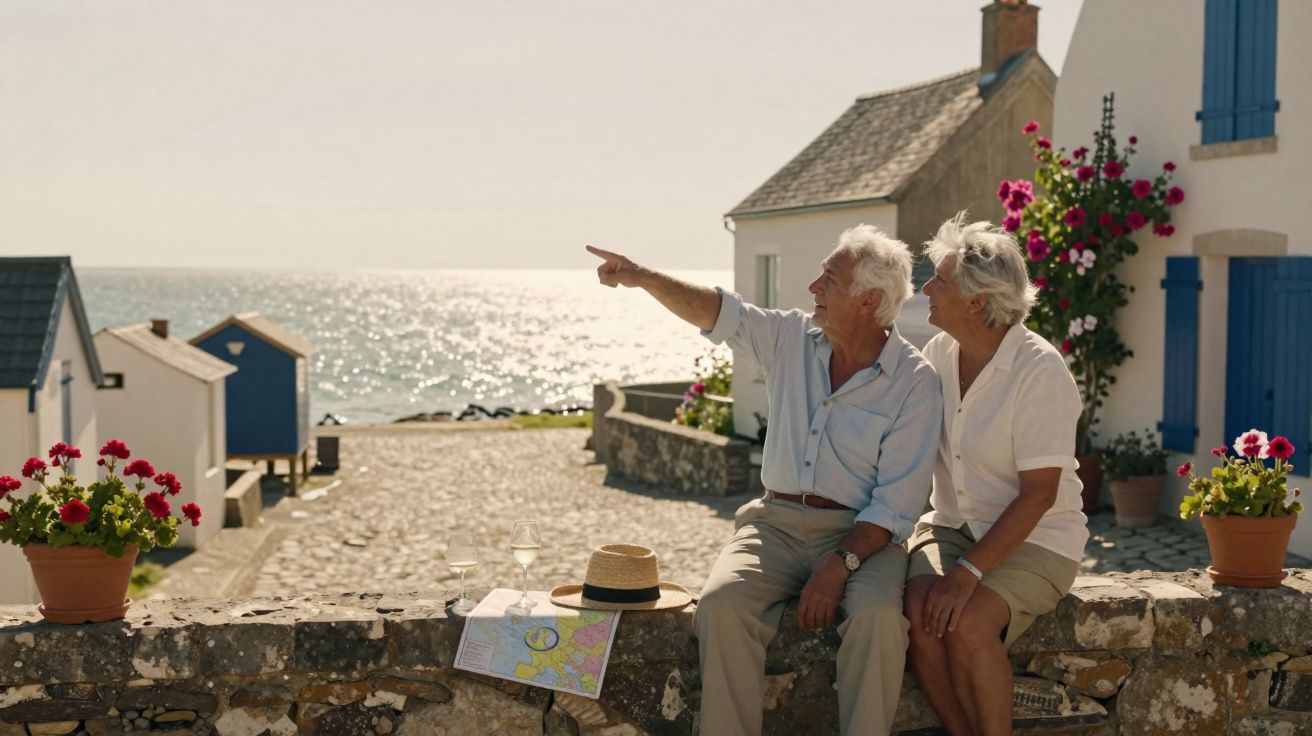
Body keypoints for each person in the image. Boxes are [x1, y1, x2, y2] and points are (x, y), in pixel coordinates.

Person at [586, 224, 941, 736]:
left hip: (864, 537)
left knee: (880, 622)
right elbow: (716, 310)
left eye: (829, 280)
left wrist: (838, 567)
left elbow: (895, 505)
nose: (813, 288)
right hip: (772, 526)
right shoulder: (789, 337)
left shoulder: (915, 382)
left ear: (870, 301)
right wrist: (642, 277)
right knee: (720, 607)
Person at [905, 213, 1088, 736]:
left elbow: (1038, 495)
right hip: (952, 524)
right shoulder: (940, 352)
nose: (926, 288)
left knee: (968, 623)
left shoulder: (1040, 371)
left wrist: (967, 574)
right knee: (919, 615)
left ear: (976, 301)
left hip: (1039, 538)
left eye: (938, 279)